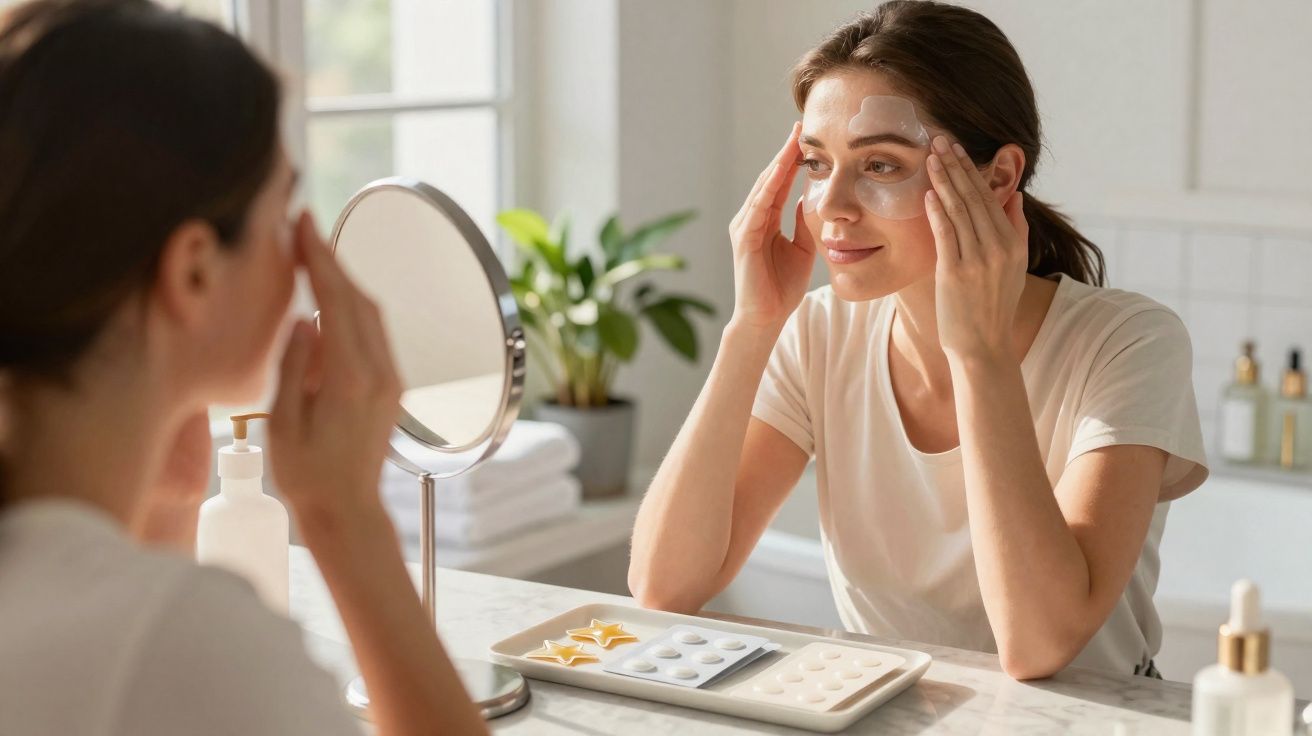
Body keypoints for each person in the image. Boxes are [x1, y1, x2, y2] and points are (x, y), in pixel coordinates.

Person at [628, 0, 1208, 680]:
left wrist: (979, 352)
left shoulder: (1130, 343)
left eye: (879, 166)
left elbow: (1039, 645)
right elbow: (664, 588)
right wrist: (751, 326)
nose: (832, 206)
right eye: (817, 164)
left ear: (997, 179)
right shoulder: (819, 333)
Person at [0, 1, 485, 733]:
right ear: (194, 271)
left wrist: (166, 491)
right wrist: (344, 520)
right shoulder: (190, 640)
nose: (301, 255)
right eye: (283, 213)